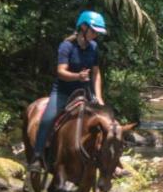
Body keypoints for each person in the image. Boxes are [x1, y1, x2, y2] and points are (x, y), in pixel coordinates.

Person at [29, 10, 107, 176]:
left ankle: (107, 161)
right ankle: (36, 157)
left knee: (105, 121)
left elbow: (96, 73)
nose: (95, 35)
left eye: (97, 32)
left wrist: (99, 97)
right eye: (93, 31)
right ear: (83, 27)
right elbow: (61, 71)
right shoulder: (67, 46)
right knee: (47, 119)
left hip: (85, 92)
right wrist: (78, 76)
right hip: (63, 91)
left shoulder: (94, 47)